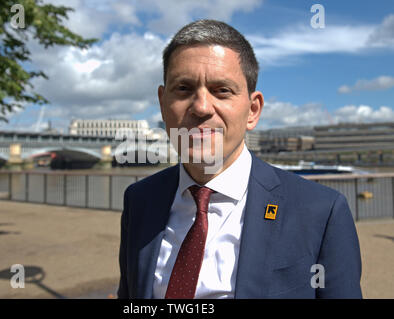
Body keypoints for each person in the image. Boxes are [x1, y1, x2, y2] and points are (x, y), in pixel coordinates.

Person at [117, 19, 362, 299]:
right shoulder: (140, 200)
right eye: (183, 88)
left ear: (252, 111)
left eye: (222, 90)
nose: (201, 107)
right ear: (162, 104)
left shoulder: (321, 212)